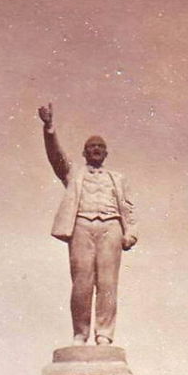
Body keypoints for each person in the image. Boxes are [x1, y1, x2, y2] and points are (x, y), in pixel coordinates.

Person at [38, 102, 137, 345]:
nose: (95, 150)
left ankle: (104, 334)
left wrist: (131, 233)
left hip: (111, 228)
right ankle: (80, 334)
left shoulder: (118, 179)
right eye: (91, 147)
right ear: (84, 153)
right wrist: (49, 128)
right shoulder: (74, 173)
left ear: (105, 153)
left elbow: (129, 208)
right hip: (81, 227)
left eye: (100, 147)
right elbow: (56, 157)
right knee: (81, 283)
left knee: (107, 284)